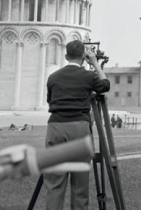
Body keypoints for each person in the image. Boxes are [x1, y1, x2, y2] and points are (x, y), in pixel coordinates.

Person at [44, 40, 110, 210]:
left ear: (66, 56)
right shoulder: (88, 76)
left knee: (55, 185)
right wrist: (94, 62)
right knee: (80, 185)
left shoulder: (53, 77)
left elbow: (50, 100)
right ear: (83, 56)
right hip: (79, 128)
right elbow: (105, 85)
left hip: (56, 127)